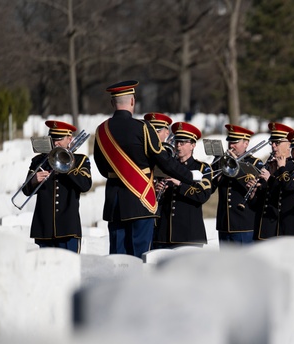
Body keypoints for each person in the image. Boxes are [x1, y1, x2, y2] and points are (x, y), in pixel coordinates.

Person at [93, 80, 195, 258]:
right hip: (141, 201)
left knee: (117, 260)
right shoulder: (143, 128)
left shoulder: (102, 130)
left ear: (112, 104)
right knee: (140, 258)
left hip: (114, 203)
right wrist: (189, 175)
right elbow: (164, 161)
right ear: (132, 101)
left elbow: (102, 168)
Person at [21, 119, 91, 252]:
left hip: (68, 229)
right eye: (53, 139)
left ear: (69, 139)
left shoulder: (80, 160)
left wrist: (67, 165)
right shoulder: (39, 161)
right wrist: (34, 180)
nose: (55, 143)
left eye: (59, 139)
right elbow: (25, 190)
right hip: (43, 229)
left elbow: (85, 185)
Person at [153, 121, 213, 248]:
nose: (178, 146)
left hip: (189, 234)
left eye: (183, 143)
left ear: (192, 145)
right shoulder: (166, 166)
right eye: (176, 142)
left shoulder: (203, 168)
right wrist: (157, 191)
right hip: (164, 233)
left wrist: (180, 184)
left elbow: (203, 195)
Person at [214, 124, 260, 246]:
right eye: (229, 142)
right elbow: (211, 186)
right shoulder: (223, 162)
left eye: (235, 142)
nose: (231, 145)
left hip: (244, 224)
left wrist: (236, 167)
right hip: (224, 224)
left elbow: (250, 185)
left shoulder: (254, 163)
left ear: (246, 144)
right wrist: (217, 164)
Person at [254, 122, 293, 240]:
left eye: (278, 143)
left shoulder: (292, 168)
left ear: (289, 144)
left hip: (277, 228)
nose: (273, 146)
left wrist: (270, 179)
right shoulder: (269, 164)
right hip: (261, 226)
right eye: (272, 142)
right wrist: (253, 193)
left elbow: (287, 196)